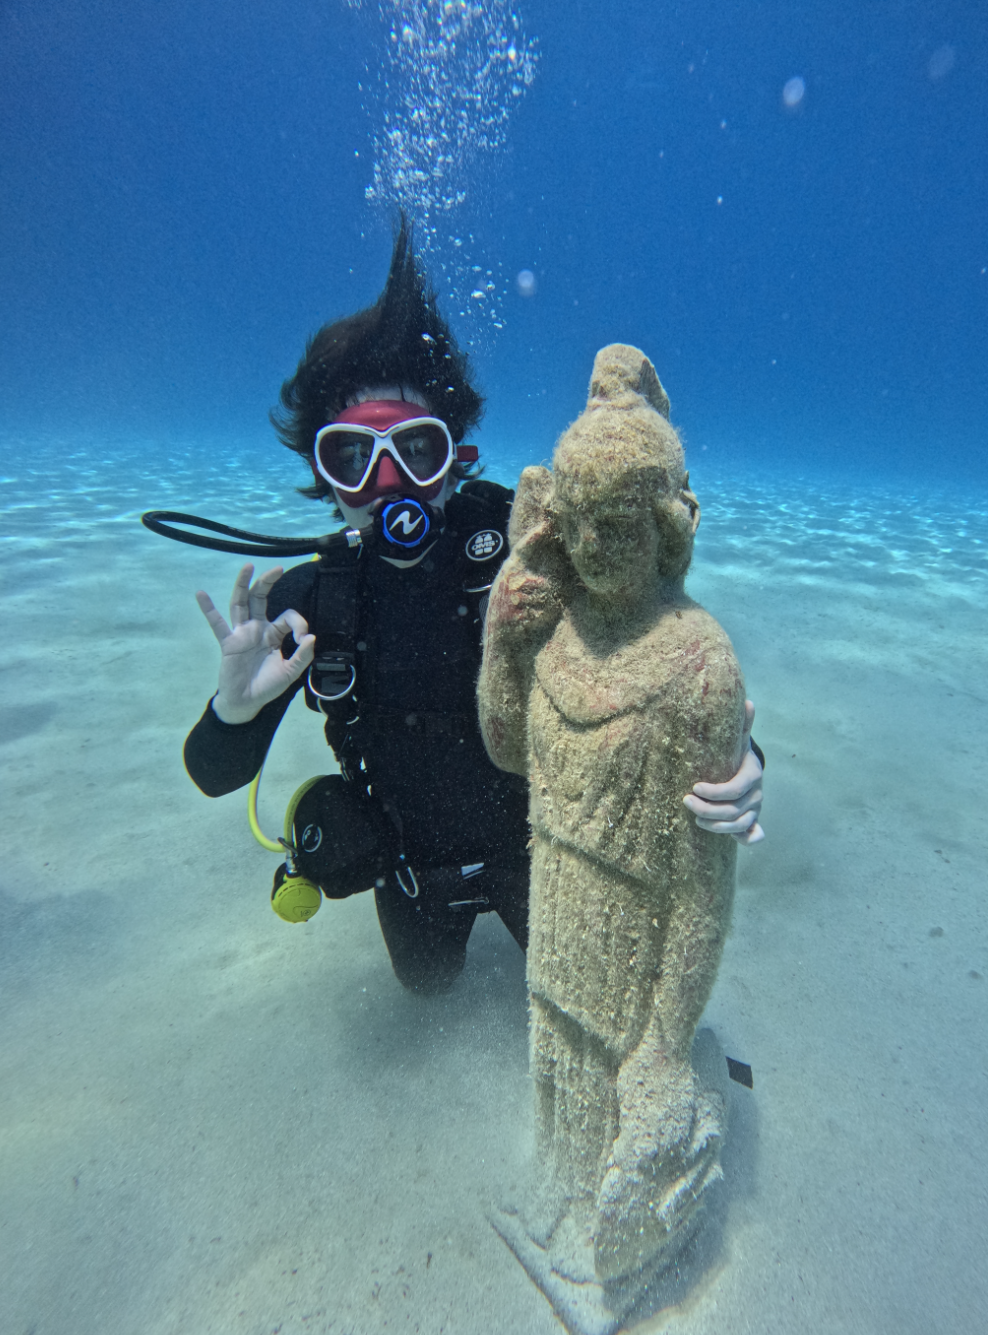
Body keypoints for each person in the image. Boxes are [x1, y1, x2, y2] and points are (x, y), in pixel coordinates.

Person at [183, 222, 763, 996]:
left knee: (596, 994)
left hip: (546, 846)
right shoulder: (312, 602)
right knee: (426, 989)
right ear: (325, 477)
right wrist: (234, 706)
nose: (389, 485)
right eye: (354, 457)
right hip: (413, 870)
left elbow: (660, 653)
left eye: (414, 450)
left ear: (455, 457)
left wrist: (741, 761)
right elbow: (211, 773)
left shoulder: (533, 547)